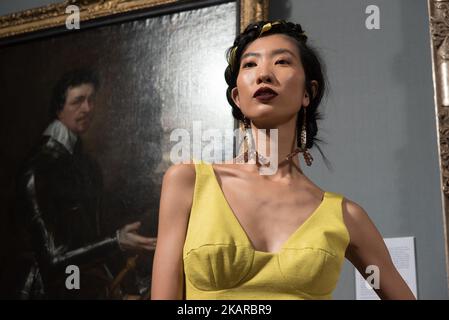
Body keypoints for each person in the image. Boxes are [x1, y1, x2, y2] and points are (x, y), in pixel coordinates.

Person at [151, 20, 416, 300]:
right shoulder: (188, 181)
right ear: (237, 97)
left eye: (281, 62)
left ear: (307, 93)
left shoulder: (346, 216)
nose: (264, 74)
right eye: (250, 65)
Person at [15, 69, 155, 299]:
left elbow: (92, 237)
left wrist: (124, 288)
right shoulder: (39, 168)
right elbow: (53, 258)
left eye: (91, 100)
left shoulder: (87, 165)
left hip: (82, 286)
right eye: (78, 101)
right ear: (59, 107)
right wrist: (117, 241)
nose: (88, 108)